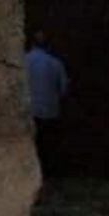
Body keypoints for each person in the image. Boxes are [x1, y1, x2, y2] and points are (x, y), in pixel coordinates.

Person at [25, 31, 69, 175]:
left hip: (28, 111)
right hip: (50, 111)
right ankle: (49, 174)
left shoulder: (22, 61)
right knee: (48, 146)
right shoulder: (55, 63)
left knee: (31, 144)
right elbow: (63, 89)